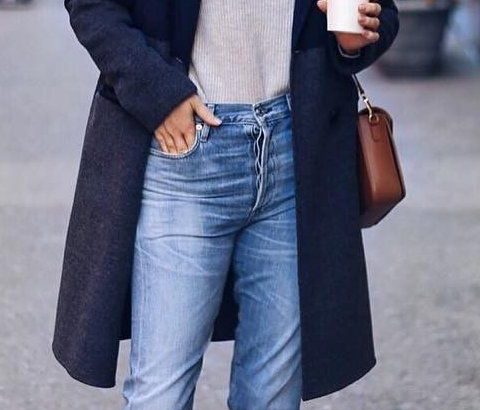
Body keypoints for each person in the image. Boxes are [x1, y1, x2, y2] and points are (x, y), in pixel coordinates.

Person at [52, 0, 399, 408]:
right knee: (160, 395)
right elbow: (92, 6)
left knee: (273, 396)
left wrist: (354, 42)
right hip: (185, 154)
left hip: (297, 150)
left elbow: (380, 12)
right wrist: (157, 92)